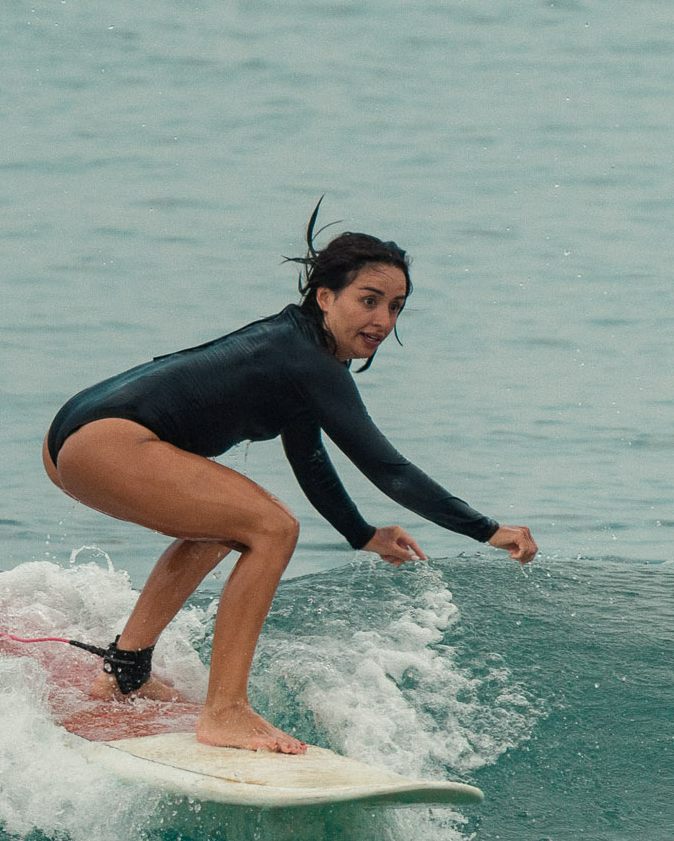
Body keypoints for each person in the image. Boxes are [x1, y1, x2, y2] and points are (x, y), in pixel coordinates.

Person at [41, 216, 537, 754]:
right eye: (369, 300)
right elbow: (387, 469)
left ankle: (125, 673)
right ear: (326, 297)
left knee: (225, 525)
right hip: (105, 443)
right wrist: (486, 530)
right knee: (273, 528)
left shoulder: (297, 350)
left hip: (77, 436)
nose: (383, 319)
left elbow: (306, 451)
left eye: (395, 306)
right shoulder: (309, 360)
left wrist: (361, 533)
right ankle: (225, 711)